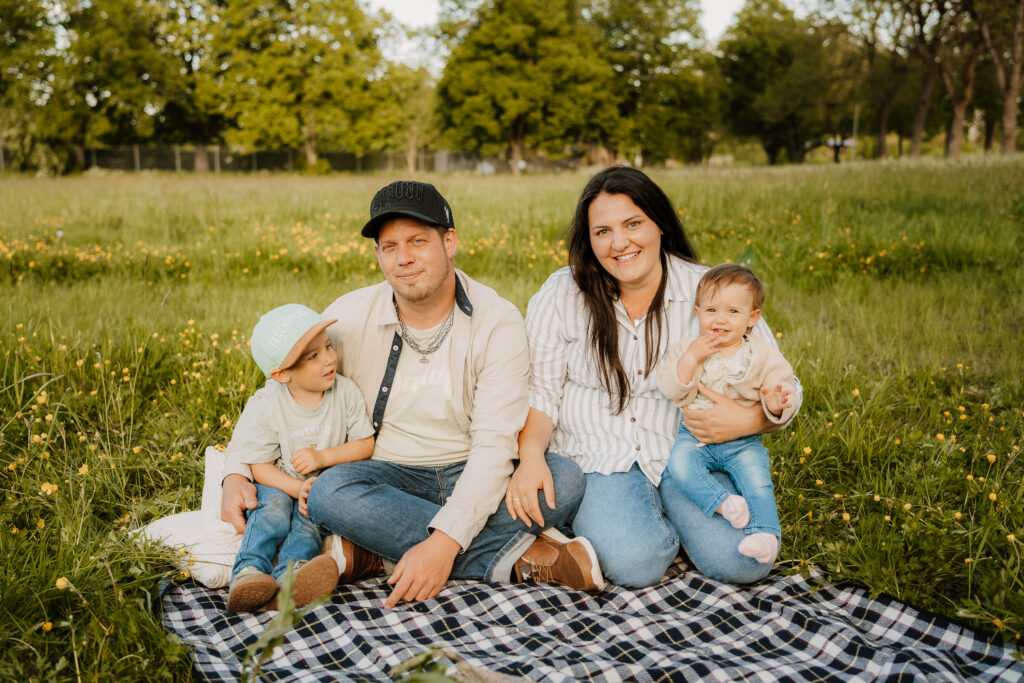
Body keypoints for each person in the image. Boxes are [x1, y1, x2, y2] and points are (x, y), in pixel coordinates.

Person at [221, 180, 604, 609]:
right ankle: (516, 561)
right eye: (390, 246)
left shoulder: (498, 321)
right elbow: (279, 389)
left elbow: (495, 448)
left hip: (473, 472)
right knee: (328, 491)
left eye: (418, 241)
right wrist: (235, 470)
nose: (403, 258)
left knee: (564, 479)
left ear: (450, 241)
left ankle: (370, 552)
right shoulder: (347, 316)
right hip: (384, 476)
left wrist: (441, 548)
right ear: (378, 255)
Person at [510, 166, 801, 588]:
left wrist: (752, 420)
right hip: (600, 456)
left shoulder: (709, 290)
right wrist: (532, 456)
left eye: (633, 224)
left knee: (744, 563)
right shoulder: (562, 293)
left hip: (689, 454)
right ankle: (632, 528)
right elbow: (541, 392)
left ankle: (671, 518)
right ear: (589, 240)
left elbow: (781, 380)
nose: (619, 243)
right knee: (636, 565)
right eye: (602, 231)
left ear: (660, 224)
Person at [226, 304, 375, 611]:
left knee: (310, 522)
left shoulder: (345, 393)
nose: (329, 359)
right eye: (313, 356)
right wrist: (294, 488)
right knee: (272, 511)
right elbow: (260, 466)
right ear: (282, 375)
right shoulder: (269, 407)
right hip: (280, 483)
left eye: (328, 347)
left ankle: (290, 577)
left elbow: (364, 444)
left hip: (321, 483)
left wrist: (323, 458)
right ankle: (248, 571)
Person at [656, 264, 799, 567]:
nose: (720, 319)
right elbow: (669, 387)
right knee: (680, 466)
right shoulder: (686, 349)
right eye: (711, 310)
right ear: (697, 312)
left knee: (757, 481)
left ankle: (766, 535)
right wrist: (692, 357)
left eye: (733, 312)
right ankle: (723, 503)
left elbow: (783, 384)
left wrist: (775, 402)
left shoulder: (760, 353)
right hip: (694, 437)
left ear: (752, 319)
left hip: (744, 440)